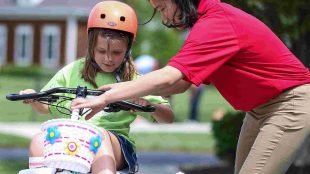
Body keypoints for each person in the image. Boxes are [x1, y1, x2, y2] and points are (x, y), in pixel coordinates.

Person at [71, 0, 310, 174]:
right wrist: (145, 101)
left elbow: (168, 77)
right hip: (258, 110)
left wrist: (107, 97)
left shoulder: (217, 23)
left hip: (288, 104)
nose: (164, 19)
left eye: (163, 8)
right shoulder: (208, 24)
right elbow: (180, 84)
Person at [19, 1, 174, 174]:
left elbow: (168, 117)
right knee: (40, 140)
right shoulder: (72, 71)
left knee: (97, 136)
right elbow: (45, 105)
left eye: (116, 52)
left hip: (115, 145)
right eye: (101, 51)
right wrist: (33, 98)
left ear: (128, 48)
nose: (108, 58)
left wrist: (146, 105)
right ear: (91, 44)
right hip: (73, 139)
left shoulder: (132, 80)